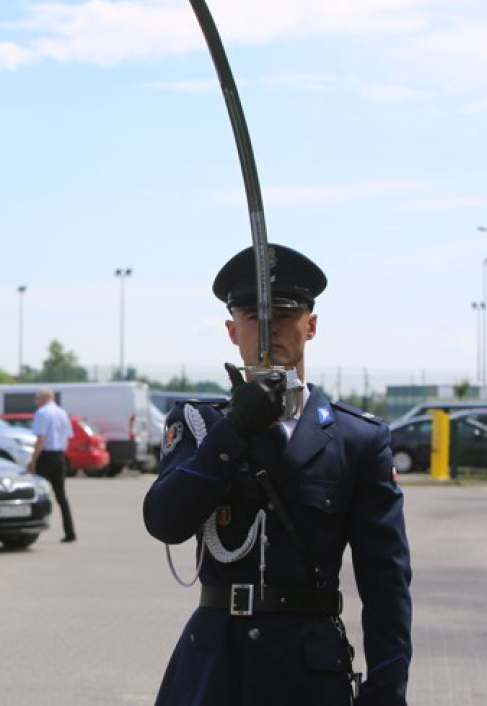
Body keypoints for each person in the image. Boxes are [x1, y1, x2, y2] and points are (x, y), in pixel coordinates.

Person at [142, 244, 412, 706]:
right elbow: (164, 521)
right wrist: (235, 431)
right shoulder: (199, 426)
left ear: (311, 325)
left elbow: (385, 583)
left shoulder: (357, 439)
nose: (269, 331)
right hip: (214, 664)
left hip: (306, 671)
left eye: (286, 316)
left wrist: (386, 690)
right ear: (232, 330)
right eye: (253, 316)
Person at [28, 387, 76, 542]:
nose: (36, 402)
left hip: (46, 456)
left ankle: (30, 527)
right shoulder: (62, 413)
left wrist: (34, 460)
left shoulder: (42, 413)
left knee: (35, 493)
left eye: (37, 399)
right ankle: (70, 532)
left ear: (43, 398)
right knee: (61, 497)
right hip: (59, 456)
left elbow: (41, 439)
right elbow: (67, 438)